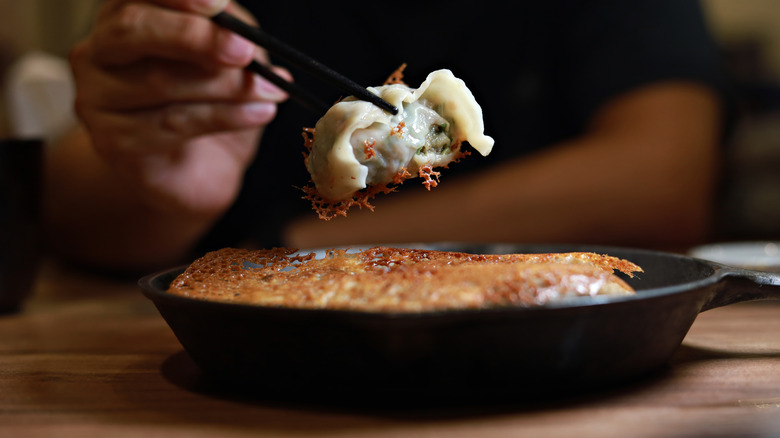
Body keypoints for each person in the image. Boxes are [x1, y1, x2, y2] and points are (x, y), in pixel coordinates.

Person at [45, 0, 731, 272]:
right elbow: (72, 213)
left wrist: (291, 253)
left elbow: (661, 178)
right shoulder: (221, 10)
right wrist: (157, 192)